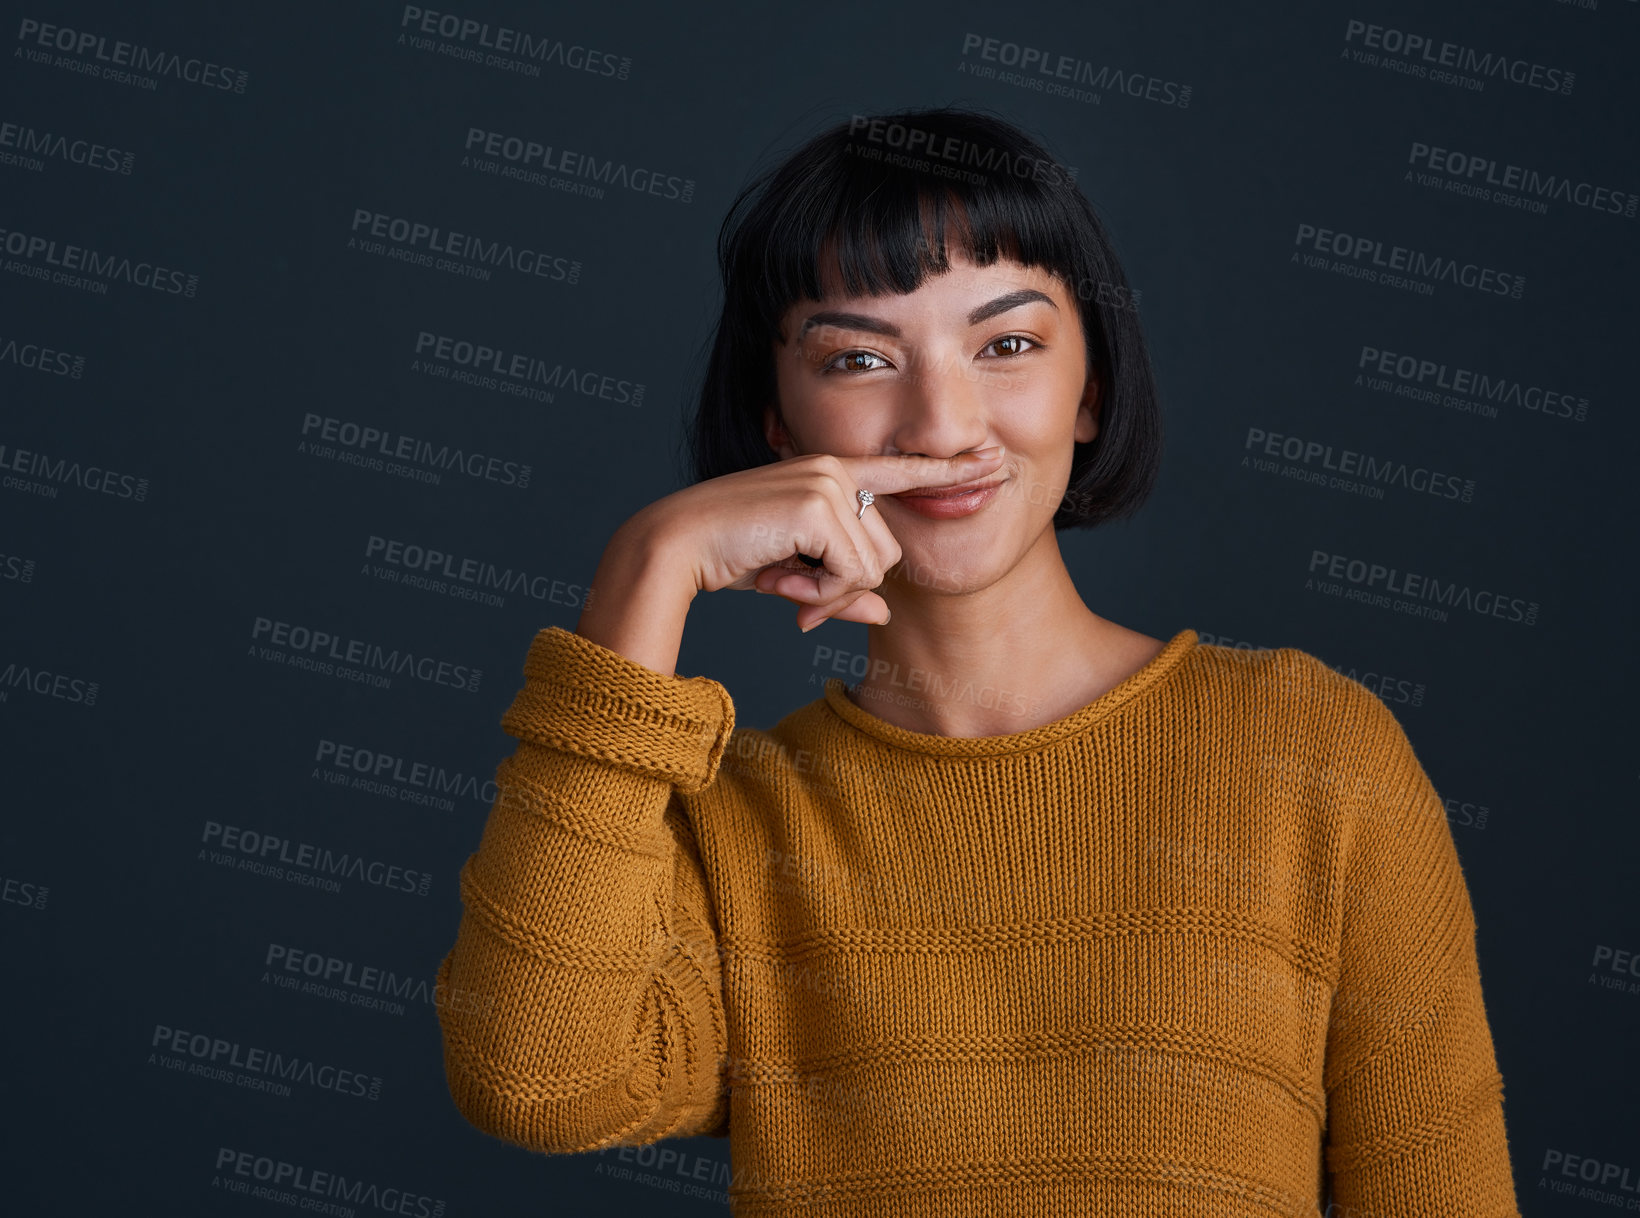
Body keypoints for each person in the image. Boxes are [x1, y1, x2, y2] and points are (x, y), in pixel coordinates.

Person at [434, 106, 1521, 1216]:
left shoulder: (1311, 751)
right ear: (777, 425)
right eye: (859, 358)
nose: (942, 424)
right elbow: (534, 1081)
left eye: (1007, 344)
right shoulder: (735, 826)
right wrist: (650, 560)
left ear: (1089, 387)